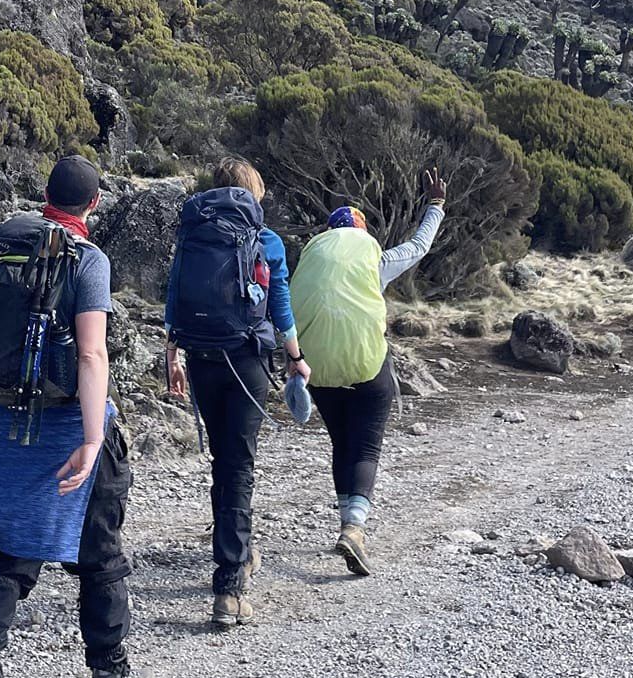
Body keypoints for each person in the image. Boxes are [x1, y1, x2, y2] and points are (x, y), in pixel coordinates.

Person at [0, 154, 154, 678]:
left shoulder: (9, 245)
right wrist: (91, 439)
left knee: (8, 561)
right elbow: (91, 355)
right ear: (95, 204)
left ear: (46, 199)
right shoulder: (89, 260)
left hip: (15, 422)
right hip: (70, 425)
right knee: (101, 557)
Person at [165, 158, 309, 633]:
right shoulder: (264, 240)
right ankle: (230, 586)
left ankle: (239, 553)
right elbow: (280, 305)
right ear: (254, 192)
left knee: (223, 462)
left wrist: (173, 353)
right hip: (247, 360)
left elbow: (175, 294)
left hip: (202, 356)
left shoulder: (193, 233)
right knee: (239, 466)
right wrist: (295, 357)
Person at [289, 170, 447, 577]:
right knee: (366, 447)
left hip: (316, 367)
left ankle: (347, 521)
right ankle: (354, 528)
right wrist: (435, 205)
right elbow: (418, 245)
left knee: (342, 442)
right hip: (366, 365)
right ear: (361, 232)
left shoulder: (309, 259)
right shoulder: (374, 258)